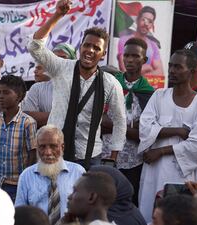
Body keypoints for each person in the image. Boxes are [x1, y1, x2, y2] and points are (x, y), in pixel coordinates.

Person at [29, 0, 126, 169]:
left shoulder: (110, 83)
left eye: (96, 48)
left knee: (83, 196)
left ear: (103, 55)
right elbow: (35, 47)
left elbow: (119, 120)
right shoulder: (61, 67)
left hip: (89, 156)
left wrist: (113, 157)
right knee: (51, 196)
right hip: (53, 151)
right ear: (80, 47)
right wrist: (57, 15)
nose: (90, 50)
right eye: (87, 45)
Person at [138, 50, 197, 222]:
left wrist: (161, 150)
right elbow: (145, 128)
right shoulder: (158, 96)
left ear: (193, 71)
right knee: (151, 212)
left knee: (179, 217)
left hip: (183, 173)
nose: (172, 70)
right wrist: (178, 131)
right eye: (171, 66)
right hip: (155, 170)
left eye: (178, 67)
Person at [102, 37, 154, 206]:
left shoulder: (149, 94)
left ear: (144, 60)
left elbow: (143, 134)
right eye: (126, 55)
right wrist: (128, 129)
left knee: (126, 204)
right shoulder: (109, 83)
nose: (130, 60)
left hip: (133, 162)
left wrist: (112, 124)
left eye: (135, 56)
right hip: (103, 155)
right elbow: (96, 120)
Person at [15, 125, 85, 224]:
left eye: (53, 146)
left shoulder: (78, 172)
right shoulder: (26, 176)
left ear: (62, 147)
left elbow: (86, 210)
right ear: (37, 148)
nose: (48, 152)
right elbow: (19, 214)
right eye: (42, 147)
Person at [0, 75, 37, 201]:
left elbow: (32, 155)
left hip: (16, 184)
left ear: (19, 97)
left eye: (6, 93)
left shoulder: (28, 123)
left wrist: (26, 180)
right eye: (0, 92)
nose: (1, 96)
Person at [22, 43, 77, 127]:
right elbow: (27, 118)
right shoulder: (37, 88)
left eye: (62, 58)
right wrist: (68, 116)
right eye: (54, 58)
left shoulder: (82, 87)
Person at [117, 6, 163, 76]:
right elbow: (125, 70)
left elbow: (160, 72)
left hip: (146, 86)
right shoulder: (124, 40)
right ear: (137, 20)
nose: (146, 24)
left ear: (152, 25)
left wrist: (140, 76)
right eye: (144, 19)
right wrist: (148, 68)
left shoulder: (153, 46)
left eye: (150, 21)